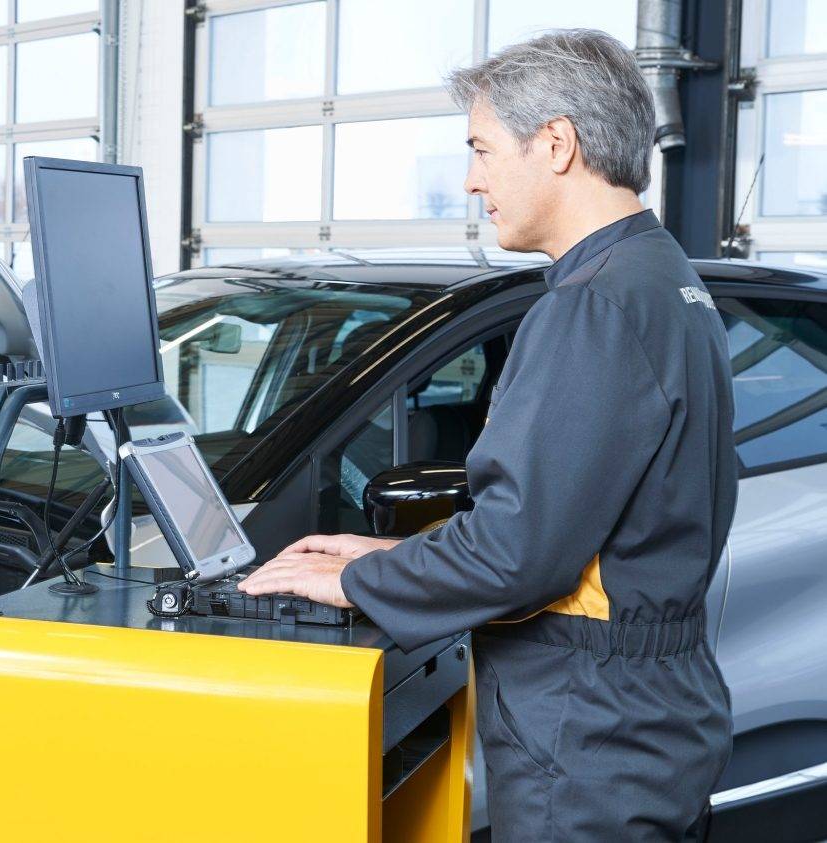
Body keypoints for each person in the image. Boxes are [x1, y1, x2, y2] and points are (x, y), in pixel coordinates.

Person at [239, 30, 735, 840]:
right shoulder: (665, 279)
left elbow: (519, 552)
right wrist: (392, 555)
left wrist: (360, 584)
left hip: (589, 730)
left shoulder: (592, 307)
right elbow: (576, 525)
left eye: (481, 149)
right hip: (649, 713)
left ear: (556, 143)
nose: (472, 181)